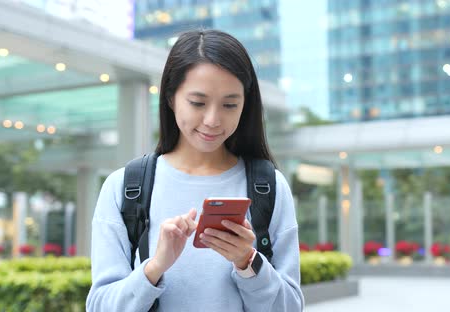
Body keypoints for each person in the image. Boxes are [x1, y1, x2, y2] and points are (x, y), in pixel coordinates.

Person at [86, 29, 304, 311]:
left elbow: (290, 307)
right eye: (198, 103)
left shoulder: (269, 186)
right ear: (170, 97)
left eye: (229, 104)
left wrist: (248, 263)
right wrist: (155, 267)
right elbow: (100, 306)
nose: (213, 119)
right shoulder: (124, 187)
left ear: (245, 106)